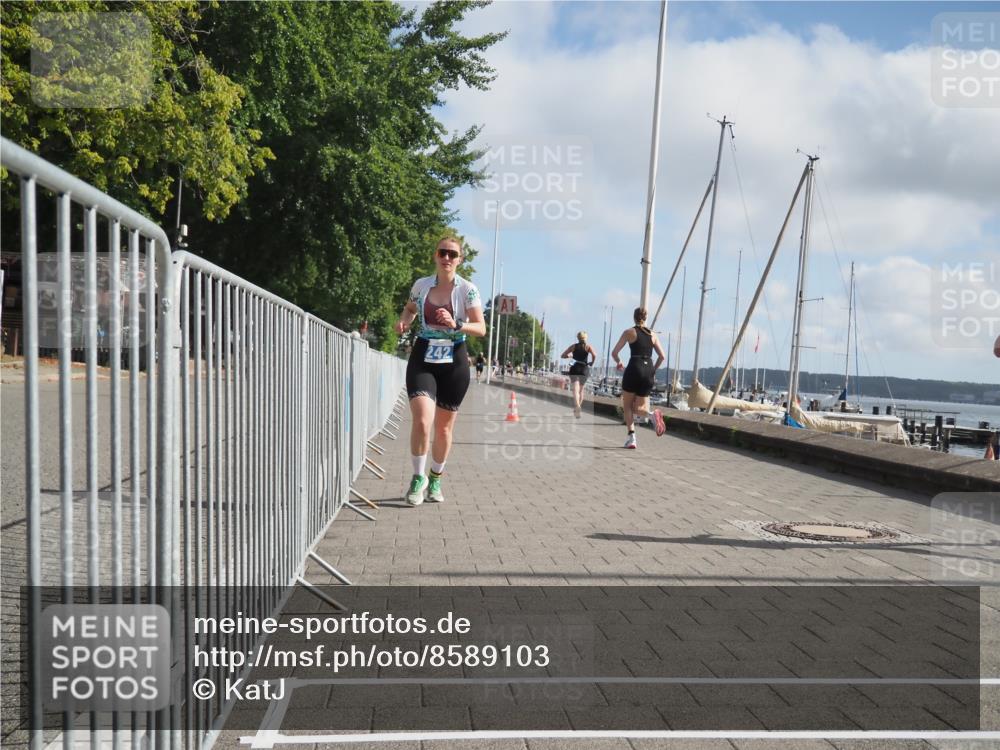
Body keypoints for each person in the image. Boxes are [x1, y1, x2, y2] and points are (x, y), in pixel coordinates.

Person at [395, 235, 486, 505]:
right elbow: (409, 309)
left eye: (452, 254)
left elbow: (481, 328)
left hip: (454, 358)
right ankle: (417, 477)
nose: (447, 258)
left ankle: (436, 477)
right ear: (435, 256)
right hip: (423, 354)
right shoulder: (421, 286)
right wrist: (403, 322)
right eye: (442, 253)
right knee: (423, 421)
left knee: (444, 429)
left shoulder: (467, 290)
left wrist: (457, 324)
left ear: (460, 260)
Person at [611, 307, 667, 449]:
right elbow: (662, 356)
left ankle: (632, 438)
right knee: (638, 408)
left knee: (628, 406)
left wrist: (619, 362)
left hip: (634, 368)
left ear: (634, 317)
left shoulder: (629, 332)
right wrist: (653, 370)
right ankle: (652, 414)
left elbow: (614, 352)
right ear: (645, 318)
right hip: (648, 371)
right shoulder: (653, 335)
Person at [561, 331, 596, 418]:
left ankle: (577, 406)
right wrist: (592, 362)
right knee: (581, 390)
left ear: (578, 338)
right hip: (584, 369)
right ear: (586, 338)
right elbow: (594, 355)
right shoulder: (588, 347)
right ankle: (578, 407)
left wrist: (569, 356)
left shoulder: (574, 346)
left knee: (575, 390)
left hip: (575, 368)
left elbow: (563, 355)